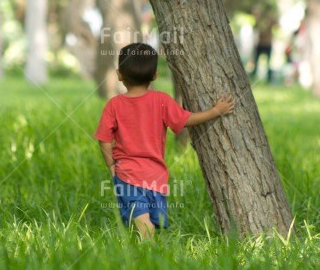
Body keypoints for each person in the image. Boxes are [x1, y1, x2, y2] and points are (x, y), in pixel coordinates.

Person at [93, 43, 235, 239]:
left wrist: (110, 165)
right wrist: (215, 112)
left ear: (119, 74)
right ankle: (146, 252)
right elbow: (186, 120)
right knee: (146, 224)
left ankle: (143, 251)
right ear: (155, 75)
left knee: (144, 223)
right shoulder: (162, 100)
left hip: (127, 174)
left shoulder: (114, 105)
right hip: (155, 177)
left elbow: (104, 139)